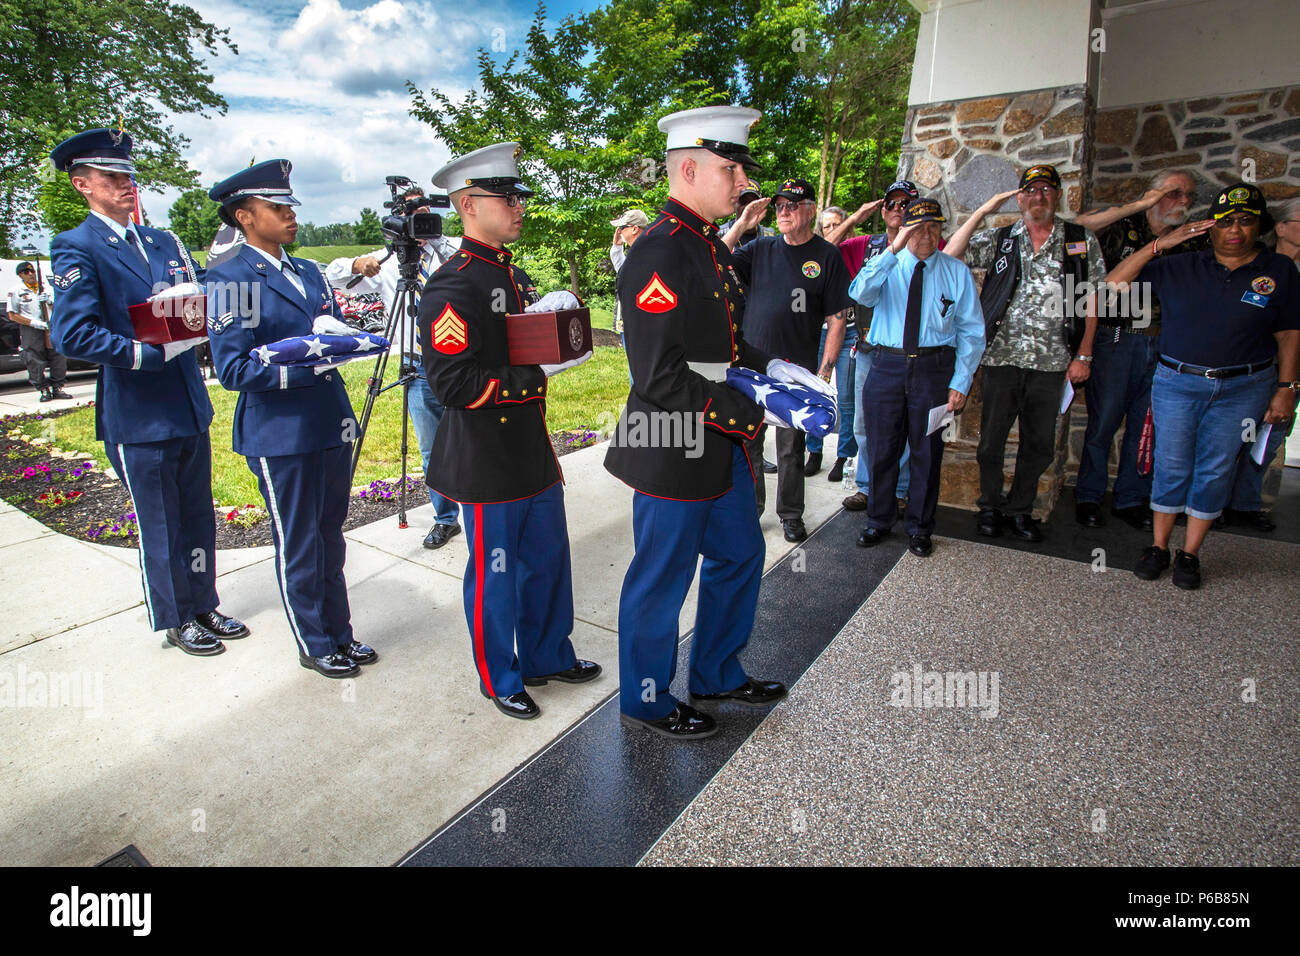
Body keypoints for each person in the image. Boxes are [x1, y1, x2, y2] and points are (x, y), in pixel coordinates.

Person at [606, 105, 809, 741]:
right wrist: (752, 411)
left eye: (741, 167)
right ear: (687, 168)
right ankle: (645, 698)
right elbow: (659, 374)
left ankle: (717, 670)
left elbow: (720, 345)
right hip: (670, 439)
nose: (743, 180)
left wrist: (776, 367)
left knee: (741, 551)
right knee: (662, 576)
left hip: (712, 438)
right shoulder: (659, 250)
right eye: (731, 167)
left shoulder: (705, 248)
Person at [48, 128, 247, 657]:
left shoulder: (163, 241)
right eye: (112, 178)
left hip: (185, 400)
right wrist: (145, 353)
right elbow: (71, 334)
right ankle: (176, 616)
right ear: (82, 184)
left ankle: (203, 603)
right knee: (161, 522)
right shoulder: (77, 246)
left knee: (198, 513)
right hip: (138, 409)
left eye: (129, 176)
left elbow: (192, 300)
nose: (126, 185)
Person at [420, 141, 600, 721]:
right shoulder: (453, 285)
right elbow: (452, 384)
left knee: (547, 560)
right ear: (469, 204)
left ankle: (548, 655)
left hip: (529, 447)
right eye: (507, 197)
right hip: (486, 458)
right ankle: (499, 676)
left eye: (519, 195)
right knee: (493, 576)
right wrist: (535, 371)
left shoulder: (509, 273)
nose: (519, 206)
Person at [205, 160, 375, 678]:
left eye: (291, 206)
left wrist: (344, 344)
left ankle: (340, 634)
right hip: (280, 431)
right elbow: (234, 368)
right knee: (299, 540)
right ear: (244, 216)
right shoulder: (230, 277)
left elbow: (329, 329)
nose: (289, 215)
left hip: (328, 420)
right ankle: (314, 641)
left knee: (330, 535)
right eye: (276, 208)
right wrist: (307, 363)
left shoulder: (306, 270)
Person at [1105, 183, 1298, 589]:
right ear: (1210, 227)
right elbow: (1112, 286)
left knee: (1214, 470)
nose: (1236, 230)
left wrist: (1287, 386)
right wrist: (1161, 244)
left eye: (1246, 221)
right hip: (1178, 382)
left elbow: (1289, 333)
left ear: (1259, 227)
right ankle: (1158, 546)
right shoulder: (1180, 265)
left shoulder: (1278, 270)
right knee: (1171, 464)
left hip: (1245, 386)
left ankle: (1189, 553)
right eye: (1227, 221)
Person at [945, 165, 1104, 542]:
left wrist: (1084, 354)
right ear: (1020, 198)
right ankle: (989, 506)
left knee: (1038, 444)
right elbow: (951, 254)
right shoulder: (1001, 239)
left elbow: (1093, 297)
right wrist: (982, 212)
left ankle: (1020, 510)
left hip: (1053, 363)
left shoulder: (1079, 240)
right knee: (990, 444)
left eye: (1047, 190)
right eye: (1030, 191)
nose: (1039, 197)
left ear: (1058, 195)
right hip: (1000, 358)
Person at [324, 186, 464, 550]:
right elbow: (334, 276)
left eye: (425, 212)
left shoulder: (450, 250)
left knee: (470, 439)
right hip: (416, 366)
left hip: (459, 361)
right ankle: (446, 518)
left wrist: (435, 242)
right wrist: (357, 265)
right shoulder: (387, 262)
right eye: (412, 214)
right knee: (431, 448)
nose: (421, 221)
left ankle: (483, 508)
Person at [1071, 169, 1206, 531]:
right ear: (1152, 194)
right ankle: (1089, 496)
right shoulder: (1122, 228)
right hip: (1118, 339)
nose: (1183, 202)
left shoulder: (1194, 240)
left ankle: (1131, 498)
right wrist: (1140, 206)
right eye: (1174, 193)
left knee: (1147, 427)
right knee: (1103, 423)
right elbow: (1077, 228)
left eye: (1188, 196)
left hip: (1167, 341)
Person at [848, 199, 985, 556]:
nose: (926, 235)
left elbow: (971, 331)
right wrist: (892, 248)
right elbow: (858, 293)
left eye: (934, 227)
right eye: (917, 227)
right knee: (881, 450)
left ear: (942, 230)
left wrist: (960, 381)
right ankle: (878, 520)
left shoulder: (955, 272)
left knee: (927, 451)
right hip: (886, 367)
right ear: (904, 229)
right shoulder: (886, 266)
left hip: (933, 370)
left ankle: (921, 527)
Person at [725, 177, 854, 542]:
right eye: (779, 206)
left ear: (811, 210)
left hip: (794, 368)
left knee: (790, 448)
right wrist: (742, 224)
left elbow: (837, 318)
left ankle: (790, 515)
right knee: (747, 440)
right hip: (751, 364)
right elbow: (716, 257)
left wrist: (824, 373)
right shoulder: (760, 249)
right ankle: (751, 512)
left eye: (792, 205)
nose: (784, 211)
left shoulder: (826, 256)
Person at [825, 180, 922, 512]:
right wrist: (852, 219)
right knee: (863, 424)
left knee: (905, 425)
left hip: (911, 354)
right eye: (891, 204)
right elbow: (823, 250)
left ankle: (900, 491)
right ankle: (866, 487)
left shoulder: (927, 245)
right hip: (868, 351)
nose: (898, 209)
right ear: (882, 211)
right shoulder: (867, 246)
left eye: (905, 203)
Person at [1218, 197, 1300, 531]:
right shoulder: (1256, 266)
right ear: (1280, 228)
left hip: (1289, 370)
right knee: (1229, 439)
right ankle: (1214, 504)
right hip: (1251, 367)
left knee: (1269, 438)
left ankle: (1245, 504)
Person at [805, 206, 858, 481]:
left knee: (847, 399)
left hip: (849, 332)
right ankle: (813, 451)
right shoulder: (816, 256)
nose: (834, 229)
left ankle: (844, 455)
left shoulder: (856, 253)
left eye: (839, 224)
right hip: (819, 332)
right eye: (828, 225)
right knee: (815, 392)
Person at [7, 262, 71, 401]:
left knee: (58, 357)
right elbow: (12, 315)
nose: (30, 274)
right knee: (34, 359)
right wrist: (33, 323)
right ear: (20, 275)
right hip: (31, 329)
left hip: (51, 326)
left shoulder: (46, 288)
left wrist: (49, 301)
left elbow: (59, 307)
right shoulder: (16, 291)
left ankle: (57, 388)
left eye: (32, 271)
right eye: (26, 272)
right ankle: (43, 389)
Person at [718, 179, 773, 247]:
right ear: (734, 204)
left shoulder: (769, 235)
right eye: (743, 202)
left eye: (752, 203)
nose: (748, 207)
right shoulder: (719, 234)